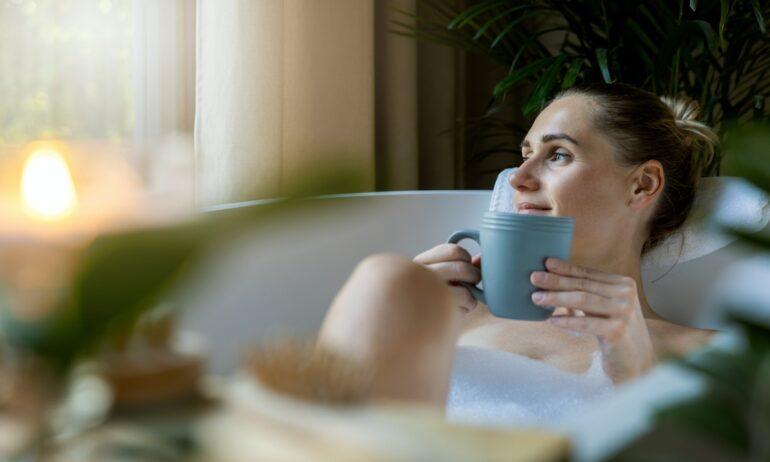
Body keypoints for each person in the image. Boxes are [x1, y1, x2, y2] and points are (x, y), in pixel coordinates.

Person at [315, 83, 718, 411]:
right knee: (386, 278)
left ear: (642, 184)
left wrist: (637, 377)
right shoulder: (455, 318)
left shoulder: (709, 353)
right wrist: (403, 311)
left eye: (558, 154)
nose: (517, 178)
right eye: (525, 155)